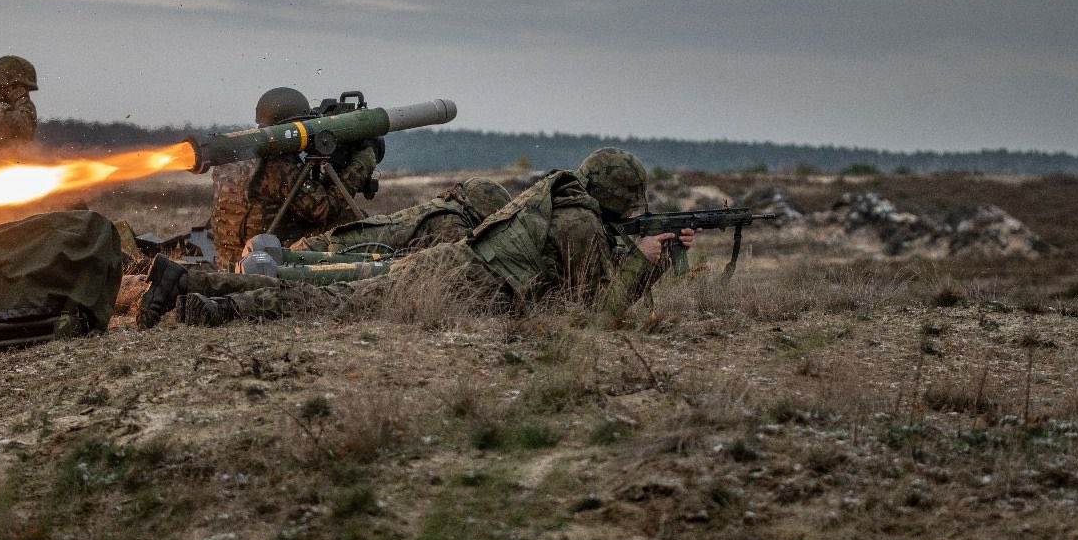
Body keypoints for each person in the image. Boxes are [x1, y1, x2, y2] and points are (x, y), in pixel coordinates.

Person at [141, 148, 693, 328]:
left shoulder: (568, 204)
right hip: (455, 285)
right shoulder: (579, 223)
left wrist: (646, 256)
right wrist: (644, 261)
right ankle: (212, 303)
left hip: (449, 269)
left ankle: (188, 281)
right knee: (324, 303)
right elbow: (596, 313)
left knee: (330, 294)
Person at [208, 86, 381, 269]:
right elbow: (325, 210)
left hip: (229, 256)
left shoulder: (236, 156)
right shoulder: (276, 166)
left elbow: (303, 198)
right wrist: (362, 163)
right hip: (261, 260)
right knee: (349, 221)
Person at [287, 176, 512, 255]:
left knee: (287, 255)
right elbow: (459, 263)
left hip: (349, 238)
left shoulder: (442, 205)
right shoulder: (451, 220)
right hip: (353, 250)